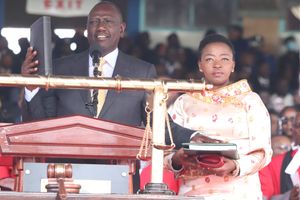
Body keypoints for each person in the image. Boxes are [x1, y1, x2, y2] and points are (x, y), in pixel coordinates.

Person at [21, 1, 196, 193]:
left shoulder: (142, 71)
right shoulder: (60, 68)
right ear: (87, 29)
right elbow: (41, 122)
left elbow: (157, 122)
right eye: (94, 21)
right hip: (65, 174)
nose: (101, 26)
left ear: (121, 29)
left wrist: (194, 138)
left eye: (107, 21)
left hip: (119, 171)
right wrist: (30, 86)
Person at [164, 34, 272, 199]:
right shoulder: (184, 102)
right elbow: (164, 150)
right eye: (209, 59)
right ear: (200, 65)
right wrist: (177, 159)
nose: (217, 65)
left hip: (241, 191)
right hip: (193, 192)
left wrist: (236, 165)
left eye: (224, 59)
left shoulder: (250, 100)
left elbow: (264, 151)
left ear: (233, 65)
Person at [259, 110, 300, 200]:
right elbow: (264, 198)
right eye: (299, 126)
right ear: (293, 130)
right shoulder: (271, 164)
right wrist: (288, 197)